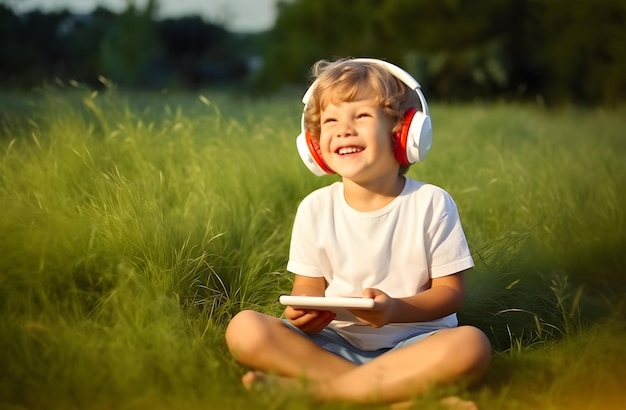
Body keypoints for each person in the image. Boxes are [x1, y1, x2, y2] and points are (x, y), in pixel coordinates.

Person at [225, 57, 491, 407]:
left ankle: (322, 391)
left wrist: (395, 310)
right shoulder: (315, 208)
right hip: (334, 345)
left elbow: (450, 293)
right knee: (245, 328)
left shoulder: (431, 203)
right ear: (315, 147)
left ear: (403, 133)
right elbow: (307, 288)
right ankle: (393, 395)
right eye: (331, 120)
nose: (343, 129)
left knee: (471, 345)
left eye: (361, 116)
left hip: (415, 346)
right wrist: (307, 314)